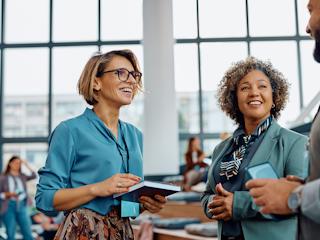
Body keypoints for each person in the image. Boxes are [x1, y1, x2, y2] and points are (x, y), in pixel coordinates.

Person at [35, 49, 166, 240]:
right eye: (121, 73)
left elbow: (128, 209)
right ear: (96, 82)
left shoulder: (135, 136)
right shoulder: (70, 131)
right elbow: (44, 198)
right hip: (82, 232)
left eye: (134, 75)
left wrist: (145, 205)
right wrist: (97, 188)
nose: (131, 80)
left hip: (123, 232)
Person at [201, 57, 308, 240]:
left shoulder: (295, 143)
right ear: (235, 100)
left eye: (262, 86)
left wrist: (237, 205)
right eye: (244, 88)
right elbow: (206, 195)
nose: (254, 93)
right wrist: (214, 204)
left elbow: (299, 199)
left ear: (274, 97)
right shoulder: (221, 149)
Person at [246, 0, 320, 239]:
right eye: (244, 88)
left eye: (311, 9)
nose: (307, 28)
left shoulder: (293, 140)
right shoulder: (225, 148)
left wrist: (296, 196)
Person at [0, 156, 37, 240]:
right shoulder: (3, 177)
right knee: (10, 233)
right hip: (8, 206)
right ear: (10, 163)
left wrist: (26, 164)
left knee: (27, 232)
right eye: (16, 163)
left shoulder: (22, 176)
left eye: (19, 163)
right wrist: (8, 194)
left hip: (22, 205)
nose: (18, 165)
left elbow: (34, 175)